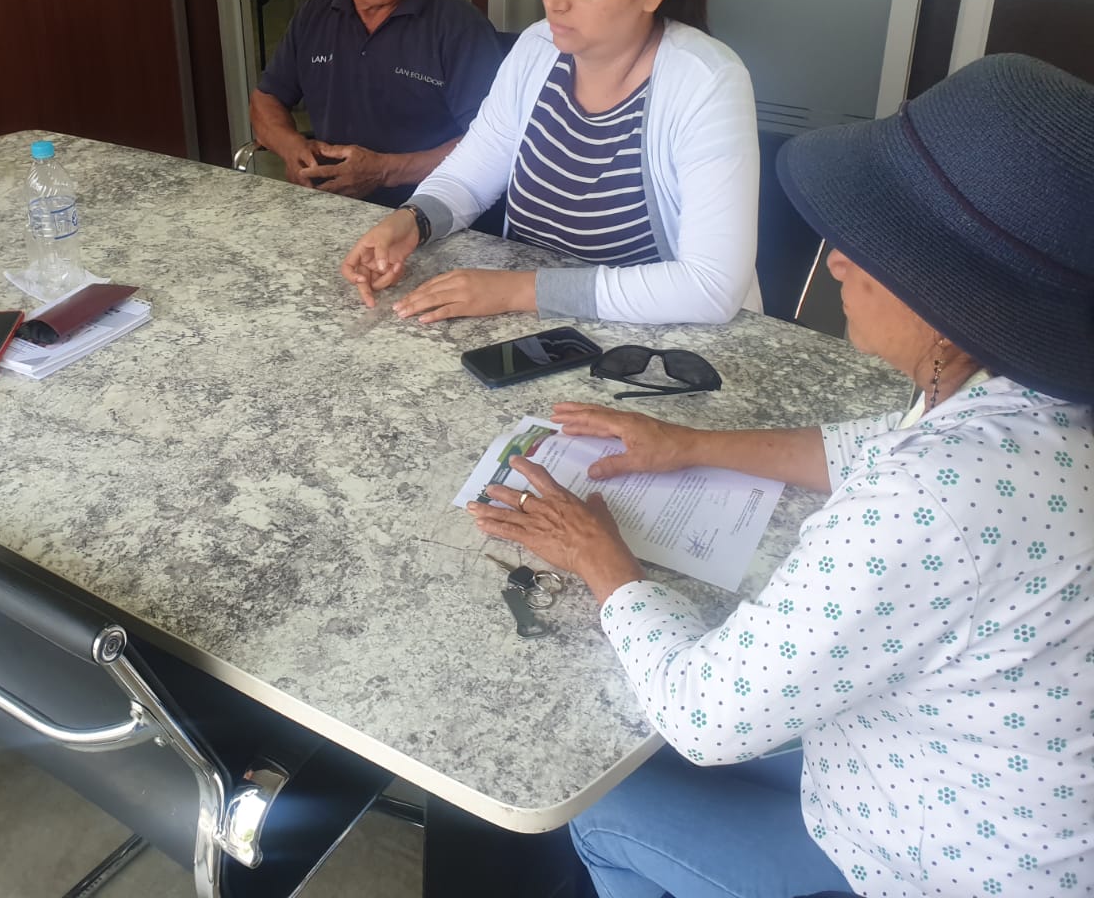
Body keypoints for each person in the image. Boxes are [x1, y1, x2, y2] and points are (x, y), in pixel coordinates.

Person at [468, 54, 1094, 898]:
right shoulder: (1035, 393)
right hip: (974, 785)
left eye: (871, 247)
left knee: (607, 813)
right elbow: (871, 444)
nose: (835, 263)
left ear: (954, 304)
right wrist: (688, 444)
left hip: (936, 864)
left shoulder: (933, 498)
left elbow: (704, 716)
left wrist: (597, 556)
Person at [342, 0, 760, 325]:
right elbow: (470, 174)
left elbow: (710, 286)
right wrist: (411, 221)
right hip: (537, 327)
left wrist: (519, 290)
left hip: (653, 342)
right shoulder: (538, 48)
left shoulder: (706, 81)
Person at [249, 0, 506, 208]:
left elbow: (493, 148)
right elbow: (265, 99)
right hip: (333, 210)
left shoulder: (461, 28)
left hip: (431, 217)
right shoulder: (316, 11)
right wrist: (292, 148)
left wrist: (385, 171)